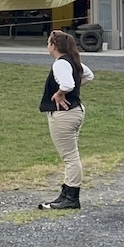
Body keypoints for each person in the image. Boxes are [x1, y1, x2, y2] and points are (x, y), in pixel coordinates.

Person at [38, 30, 95, 210]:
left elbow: (68, 84)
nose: (47, 46)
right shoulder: (72, 60)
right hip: (76, 111)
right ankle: (66, 192)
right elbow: (89, 75)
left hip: (64, 115)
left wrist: (60, 93)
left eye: (48, 42)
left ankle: (71, 197)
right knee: (71, 155)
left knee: (70, 157)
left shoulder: (60, 64)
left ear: (54, 46)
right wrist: (71, 88)